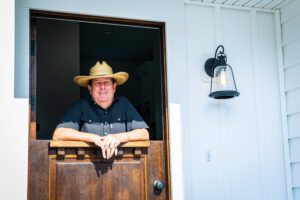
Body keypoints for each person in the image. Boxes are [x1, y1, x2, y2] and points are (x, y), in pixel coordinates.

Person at [52, 61, 149, 159]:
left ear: (114, 87)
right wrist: (93, 138)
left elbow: (144, 133)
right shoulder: (82, 106)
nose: (102, 87)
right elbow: (58, 134)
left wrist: (118, 137)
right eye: (97, 83)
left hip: (123, 167)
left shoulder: (123, 104)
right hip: (86, 168)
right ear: (90, 89)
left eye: (106, 82)